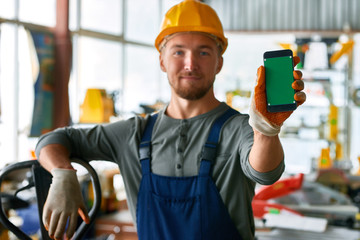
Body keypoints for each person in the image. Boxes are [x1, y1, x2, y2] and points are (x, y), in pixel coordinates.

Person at [35, 0, 306, 239]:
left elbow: (265, 172)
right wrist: (62, 173)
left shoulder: (237, 129)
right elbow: (54, 139)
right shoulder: (133, 134)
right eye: (178, 51)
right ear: (162, 61)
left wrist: (266, 129)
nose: (190, 63)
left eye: (203, 52)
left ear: (219, 63)